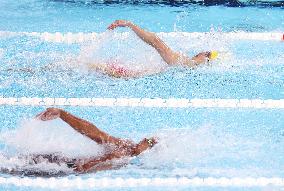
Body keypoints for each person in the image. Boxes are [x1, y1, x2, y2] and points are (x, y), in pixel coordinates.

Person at [29, 108, 158, 173]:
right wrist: (62, 114)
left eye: (149, 143)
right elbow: (93, 132)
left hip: (66, 171)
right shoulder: (124, 146)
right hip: (62, 164)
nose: (144, 142)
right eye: (146, 140)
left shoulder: (127, 161)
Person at [90, 20, 218, 78]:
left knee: (95, 67)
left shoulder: (185, 63)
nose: (203, 52)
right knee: (96, 67)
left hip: (134, 75)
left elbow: (155, 42)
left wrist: (130, 24)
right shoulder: (183, 63)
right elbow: (155, 42)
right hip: (138, 74)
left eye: (207, 55)